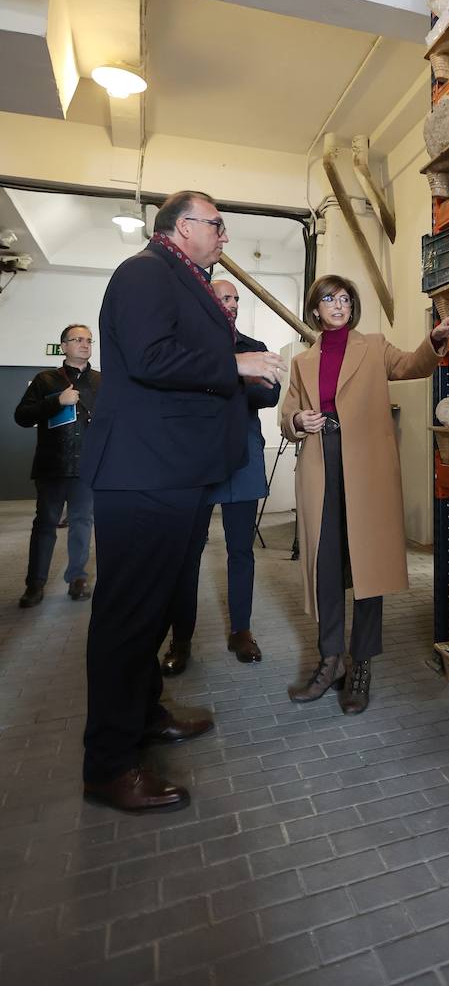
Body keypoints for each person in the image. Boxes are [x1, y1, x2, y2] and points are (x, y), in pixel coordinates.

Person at [80, 190, 285, 814]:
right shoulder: (145, 272)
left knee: (149, 611)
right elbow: (150, 357)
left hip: (175, 472)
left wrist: (248, 374)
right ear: (180, 226)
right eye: (216, 224)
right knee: (127, 617)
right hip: (146, 472)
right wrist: (235, 360)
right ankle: (109, 765)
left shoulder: (187, 279)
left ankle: (144, 717)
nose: (225, 234)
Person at [281, 274, 449, 715]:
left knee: (367, 567)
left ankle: (360, 666)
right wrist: (298, 421)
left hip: (366, 468)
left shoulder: (375, 346)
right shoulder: (303, 360)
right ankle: (330, 662)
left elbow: (412, 365)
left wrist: (434, 340)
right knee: (326, 564)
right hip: (321, 463)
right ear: (316, 310)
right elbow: (287, 411)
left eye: (345, 299)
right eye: (329, 299)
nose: (338, 306)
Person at [161, 278, 279, 673]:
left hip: (242, 458)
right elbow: (180, 393)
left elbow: (269, 395)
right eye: (223, 297)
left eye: (235, 299)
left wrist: (225, 378)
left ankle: (241, 631)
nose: (230, 303)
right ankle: (181, 638)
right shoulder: (189, 346)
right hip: (195, 462)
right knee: (185, 554)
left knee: (241, 551)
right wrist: (240, 377)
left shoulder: (254, 348)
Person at [14, 324, 100, 607]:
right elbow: (23, 417)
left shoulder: (102, 381)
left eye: (89, 340)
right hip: (52, 465)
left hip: (87, 468)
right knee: (45, 525)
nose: (85, 344)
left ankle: (77, 578)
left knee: (82, 524)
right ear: (63, 346)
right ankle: (35, 585)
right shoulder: (45, 380)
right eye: (78, 340)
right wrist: (56, 401)